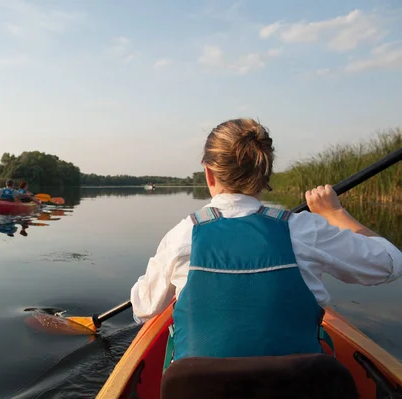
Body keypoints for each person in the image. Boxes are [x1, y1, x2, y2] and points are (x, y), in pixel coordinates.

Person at [130, 118, 402, 362]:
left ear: (209, 173)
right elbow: (390, 264)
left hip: (197, 389)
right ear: (264, 174)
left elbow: (144, 309)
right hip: (297, 390)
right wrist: (335, 213)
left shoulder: (181, 235)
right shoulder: (306, 230)